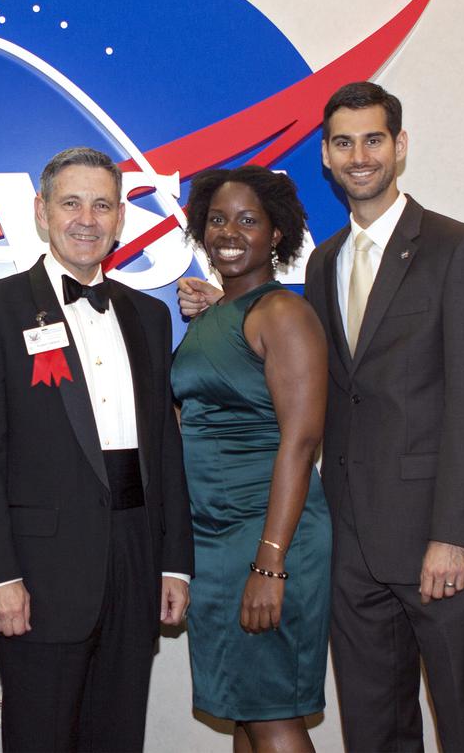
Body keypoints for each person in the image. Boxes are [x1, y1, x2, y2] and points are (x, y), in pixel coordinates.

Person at [181, 82, 464, 751]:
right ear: (325, 158)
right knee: (374, 732)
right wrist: (225, 306)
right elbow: (306, 371)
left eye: (373, 139)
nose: (358, 155)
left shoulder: (459, 248)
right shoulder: (325, 261)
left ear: (400, 147)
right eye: (342, 142)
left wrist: (454, 535)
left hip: (437, 544)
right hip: (352, 547)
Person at [0, 146, 194, 752]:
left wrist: (173, 562)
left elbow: (165, 447)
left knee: (117, 738)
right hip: (38, 572)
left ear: (119, 219)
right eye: (71, 203)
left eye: (102, 205)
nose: (86, 219)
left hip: (136, 563)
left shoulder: (149, 315)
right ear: (41, 212)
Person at [171, 165, 330, 752]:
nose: (228, 233)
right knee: (248, 707)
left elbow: (301, 442)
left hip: (267, 536)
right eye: (217, 219)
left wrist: (270, 563)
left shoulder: (283, 314)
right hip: (214, 541)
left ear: (277, 234)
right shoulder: (219, 315)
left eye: (247, 220)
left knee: (273, 715)